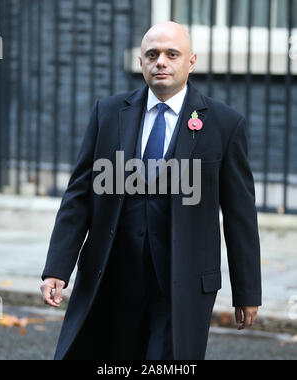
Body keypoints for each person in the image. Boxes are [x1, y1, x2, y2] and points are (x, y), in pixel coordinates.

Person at [41, 21, 262, 360]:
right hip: (112, 277)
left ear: (191, 61)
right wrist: (57, 267)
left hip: (182, 283)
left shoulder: (224, 124)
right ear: (141, 62)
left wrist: (247, 290)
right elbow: (79, 195)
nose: (161, 61)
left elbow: (240, 215)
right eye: (152, 54)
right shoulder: (109, 113)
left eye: (172, 54)